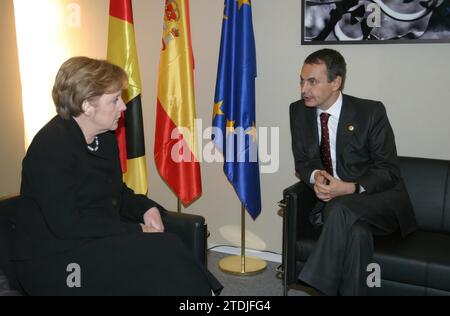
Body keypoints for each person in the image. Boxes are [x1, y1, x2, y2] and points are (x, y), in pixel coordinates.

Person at [11, 56, 223, 296]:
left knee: (165, 253)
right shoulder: (51, 148)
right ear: (87, 106)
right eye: (114, 100)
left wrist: (145, 208)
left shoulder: (104, 138)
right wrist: (137, 230)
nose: (123, 106)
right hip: (54, 260)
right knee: (163, 250)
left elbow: (116, 193)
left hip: (92, 241)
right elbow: (67, 225)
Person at [289, 49, 417, 296]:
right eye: (302, 80)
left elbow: (388, 170)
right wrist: (317, 176)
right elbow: (303, 162)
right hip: (341, 211)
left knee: (339, 207)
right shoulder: (299, 111)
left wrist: (349, 188)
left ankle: (315, 282)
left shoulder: (370, 113)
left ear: (336, 82)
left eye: (312, 81)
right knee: (357, 234)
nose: (304, 89)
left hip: (380, 201)